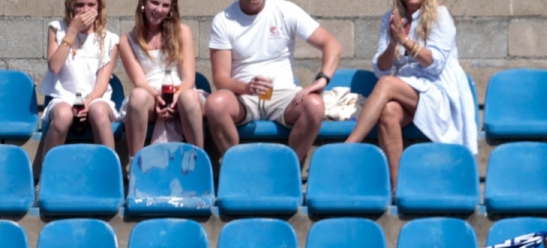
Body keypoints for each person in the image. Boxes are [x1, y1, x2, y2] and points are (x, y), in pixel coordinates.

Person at [348, 0, 478, 190]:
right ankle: (397, 187)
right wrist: (392, 44)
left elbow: (434, 64)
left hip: (438, 88)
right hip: (408, 88)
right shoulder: (390, 18)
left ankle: (348, 146)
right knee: (388, 111)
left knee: (386, 84)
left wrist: (405, 41)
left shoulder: (441, 16)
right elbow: (381, 69)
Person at [205, 0, 341, 162]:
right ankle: (237, 166)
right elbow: (221, 79)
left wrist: (323, 78)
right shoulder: (224, 20)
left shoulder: (285, 10)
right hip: (243, 97)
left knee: (315, 106)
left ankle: (289, 167)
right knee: (215, 104)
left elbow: (332, 44)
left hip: (284, 95)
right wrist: (246, 87)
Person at [38, 0, 120, 170]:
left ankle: (109, 173)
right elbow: (54, 67)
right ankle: (49, 174)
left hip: (96, 98)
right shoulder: (57, 29)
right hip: (63, 96)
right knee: (62, 115)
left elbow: (102, 83)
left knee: (98, 112)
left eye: (91, 4)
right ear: (71, 6)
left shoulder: (109, 39)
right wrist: (72, 31)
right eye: (79, 4)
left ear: (99, 8)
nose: (85, 10)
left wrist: (88, 102)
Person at [118, 0, 205, 157]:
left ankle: (198, 159)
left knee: (189, 97)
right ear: (143, 4)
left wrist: (174, 98)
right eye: (155, 3)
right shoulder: (126, 41)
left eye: (165, 5)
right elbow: (140, 82)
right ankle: (135, 163)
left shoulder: (182, 31)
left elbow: (189, 78)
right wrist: (159, 98)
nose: (159, 9)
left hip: (180, 91)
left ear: (171, 9)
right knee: (137, 95)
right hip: (150, 95)